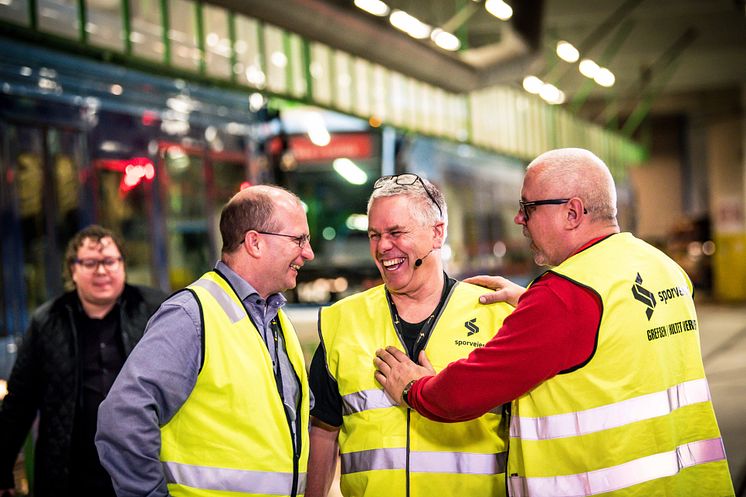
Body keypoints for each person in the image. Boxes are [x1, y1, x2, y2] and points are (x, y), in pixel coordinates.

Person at [374, 148, 735, 497]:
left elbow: (464, 392)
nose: (519, 219)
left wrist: (412, 389)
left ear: (573, 213)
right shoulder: (661, 266)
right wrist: (535, 306)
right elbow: (618, 333)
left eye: (527, 208)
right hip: (689, 483)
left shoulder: (565, 297)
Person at [95, 185, 314, 497]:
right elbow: (122, 418)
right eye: (298, 239)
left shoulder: (274, 318)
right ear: (254, 242)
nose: (308, 252)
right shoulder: (190, 316)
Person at [306, 174, 514, 497]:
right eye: (374, 235)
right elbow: (323, 430)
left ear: (437, 233)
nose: (383, 246)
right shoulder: (341, 321)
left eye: (396, 232)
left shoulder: (495, 316)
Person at [0, 225, 166, 497]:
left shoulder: (156, 310)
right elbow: (20, 401)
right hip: (69, 475)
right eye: (90, 262)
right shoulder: (47, 322)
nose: (101, 271)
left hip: (144, 469)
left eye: (110, 261)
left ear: (123, 265)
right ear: (72, 269)